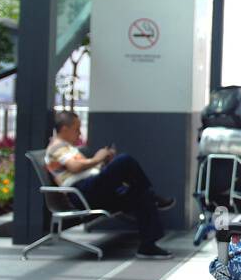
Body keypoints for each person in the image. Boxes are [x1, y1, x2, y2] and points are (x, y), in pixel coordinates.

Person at [45, 110, 175, 259]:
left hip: (89, 189)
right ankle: (154, 197)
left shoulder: (67, 147)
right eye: (77, 129)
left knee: (140, 194)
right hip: (82, 193)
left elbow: (80, 169)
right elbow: (74, 167)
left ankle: (148, 246)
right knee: (124, 160)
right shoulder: (57, 147)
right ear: (64, 129)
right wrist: (97, 159)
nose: (80, 134)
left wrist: (103, 162)